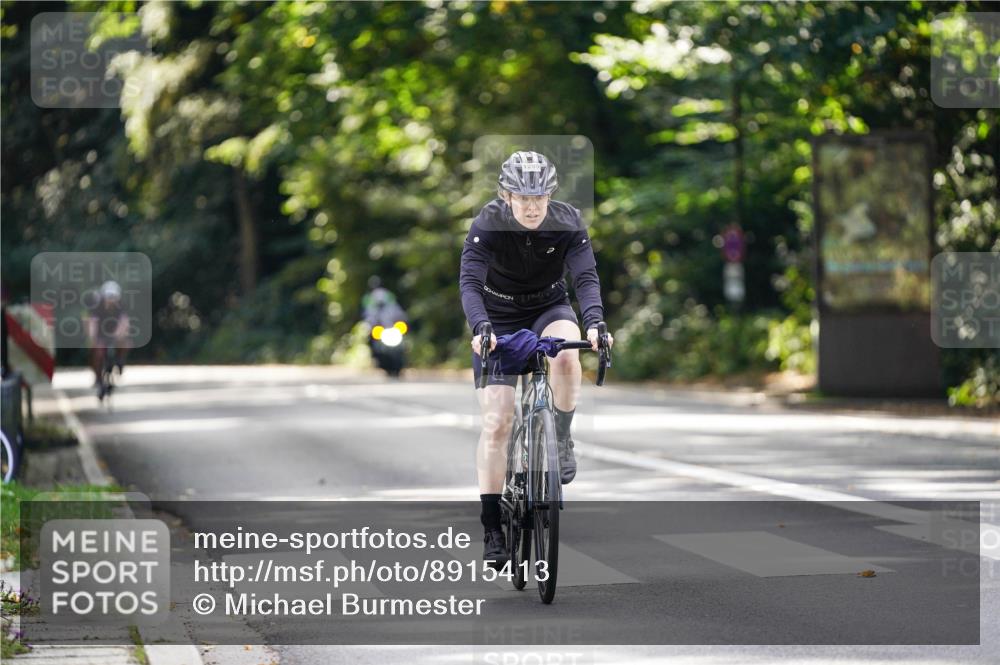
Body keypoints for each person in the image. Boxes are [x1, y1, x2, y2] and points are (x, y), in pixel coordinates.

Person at [459, 150, 613, 567]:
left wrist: (596, 323)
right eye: (521, 198)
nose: (531, 207)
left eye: (539, 198)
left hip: (549, 307)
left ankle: (560, 437)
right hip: (497, 316)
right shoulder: (487, 223)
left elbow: (585, 276)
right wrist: (480, 328)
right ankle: (492, 525)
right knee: (498, 421)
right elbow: (470, 282)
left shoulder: (567, 221)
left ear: (550, 195)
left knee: (567, 353)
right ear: (505, 196)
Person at [85, 280, 130, 394]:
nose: (111, 299)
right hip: (101, 334)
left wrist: (119, 334)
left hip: (115, 333)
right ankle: (98, 378)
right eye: (109, 297)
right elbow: (93, 323)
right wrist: (93, 338)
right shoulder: (97, 307)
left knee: (125, 343)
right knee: (96, 352)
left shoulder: (120, 307)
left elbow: (124, 322)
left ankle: (120, 361)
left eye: (113, 297)